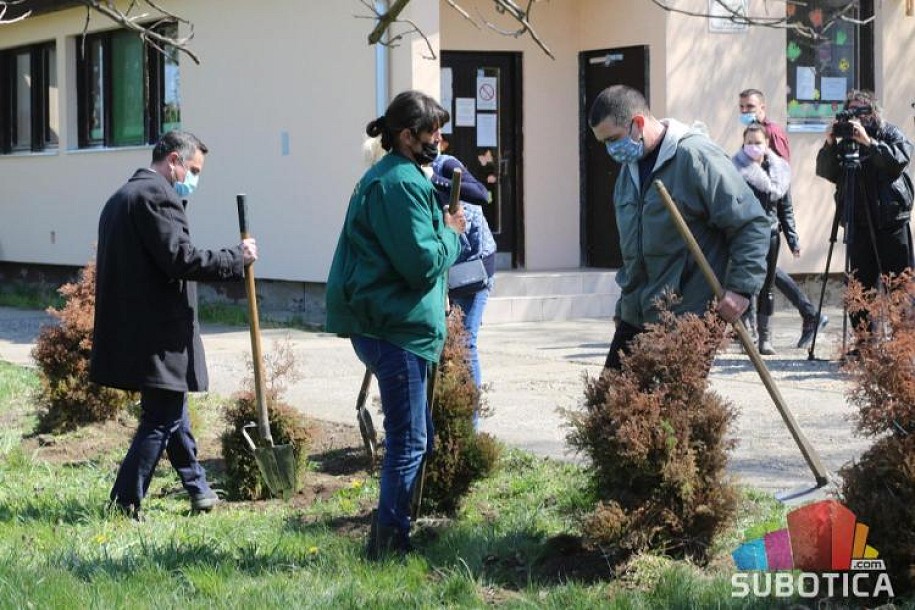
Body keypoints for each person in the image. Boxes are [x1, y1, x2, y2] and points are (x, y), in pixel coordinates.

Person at [325, 90, 465, 558]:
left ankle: (391, 535)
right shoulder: (400, 183)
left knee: (415, 438)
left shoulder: (392, 177)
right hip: (396, 329)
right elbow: (421, 263)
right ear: (407, 136)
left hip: (394, 324)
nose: (440, 141)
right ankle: (388, 546)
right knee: (409, 442)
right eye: (433, 133)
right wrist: (452, 232)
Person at [90, 130, 257, 519]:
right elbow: (181, 260)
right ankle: (124, 502)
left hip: (140, 328)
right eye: (193, 169)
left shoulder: (122, 196)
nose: (194, 179)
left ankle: (199, 490)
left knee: (172, 410)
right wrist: (238, 257)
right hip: (157, 334)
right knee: (160, 417)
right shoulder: (156, 196)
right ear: (174, 162)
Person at [588, 85, 769, 371]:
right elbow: (634, 252)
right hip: (639, 313)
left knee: (673, 411)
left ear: (637, 123)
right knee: (610, 409)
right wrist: (624, 307)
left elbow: (751, 223)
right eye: (604, 143)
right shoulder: (629, 172)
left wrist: (741, 289)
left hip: (689, 314)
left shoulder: (696, 157)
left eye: (613, 139)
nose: (611, 150)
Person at [815, 89, 914, 334]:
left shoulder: (889, 132)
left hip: (890, 221)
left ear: (873, 111)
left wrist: (869, 143)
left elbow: (898, 162)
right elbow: (828, 172)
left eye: (862, 109)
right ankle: (864, 342)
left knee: (899, 284)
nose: (857, 117)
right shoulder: (845, 140)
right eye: (852, 110)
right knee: (859, 284)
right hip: (857, 220)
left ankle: (902, 342)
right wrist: (829, 144)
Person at [739, 88, 827, 348]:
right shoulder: (750, 136)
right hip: (752, 222)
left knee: (764, 274)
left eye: (750, 107)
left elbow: (779, 180)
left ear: (763, 108)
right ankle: (807, 313)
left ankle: (803, 315)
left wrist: (789, 233)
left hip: (767, 220)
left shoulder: (772, 133)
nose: (745, 111)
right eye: (742, 107)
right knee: (764, 272)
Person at [430, 153, 495, 423]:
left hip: (473, 273)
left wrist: (435, 180)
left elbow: (482, 194)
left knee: (465, 344)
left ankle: (472, 424)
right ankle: (448, 417)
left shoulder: (447, 165)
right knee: (447, 347)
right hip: (446, 273)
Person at [733, 122, 798, 355]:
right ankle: (747, 336)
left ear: (767, 143)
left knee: (767, 287)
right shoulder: (736, 168)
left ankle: (765, 338)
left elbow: (786, 208)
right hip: (747, 234)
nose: (753, 147)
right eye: (749, 142)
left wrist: (793, 239)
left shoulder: (780, 171)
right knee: (748, 285)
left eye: (758, 142)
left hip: (771, 233)